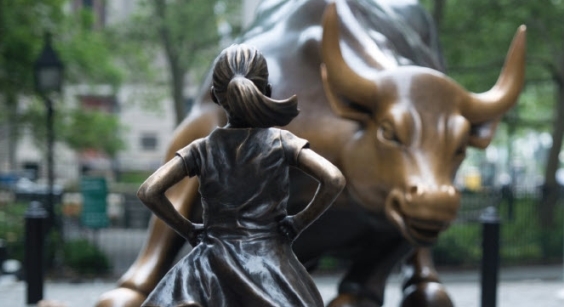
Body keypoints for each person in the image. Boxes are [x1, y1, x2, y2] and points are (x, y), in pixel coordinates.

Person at [137, 44, 346, 307]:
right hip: (269, 264)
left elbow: (149, 191)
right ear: (267, 91)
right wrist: (299, 222)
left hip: (208, 266)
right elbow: (334, 179)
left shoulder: (202, 149)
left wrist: (189, 231)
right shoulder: (282, 142)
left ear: (214, 96)